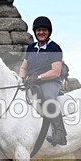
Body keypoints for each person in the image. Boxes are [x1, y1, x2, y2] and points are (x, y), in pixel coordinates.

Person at [19, 16, 67, 146]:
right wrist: (21, 79)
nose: (41, 32)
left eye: (44, 30)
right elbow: (24, 67)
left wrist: (38, 77)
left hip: (50, 81)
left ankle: (60, 133)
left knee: (48, 97)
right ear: (35, 32)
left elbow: (55, 71)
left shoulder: (55, 48)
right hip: (31, 82)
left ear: (49, 32)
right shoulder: (31, 48)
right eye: (38, 30)